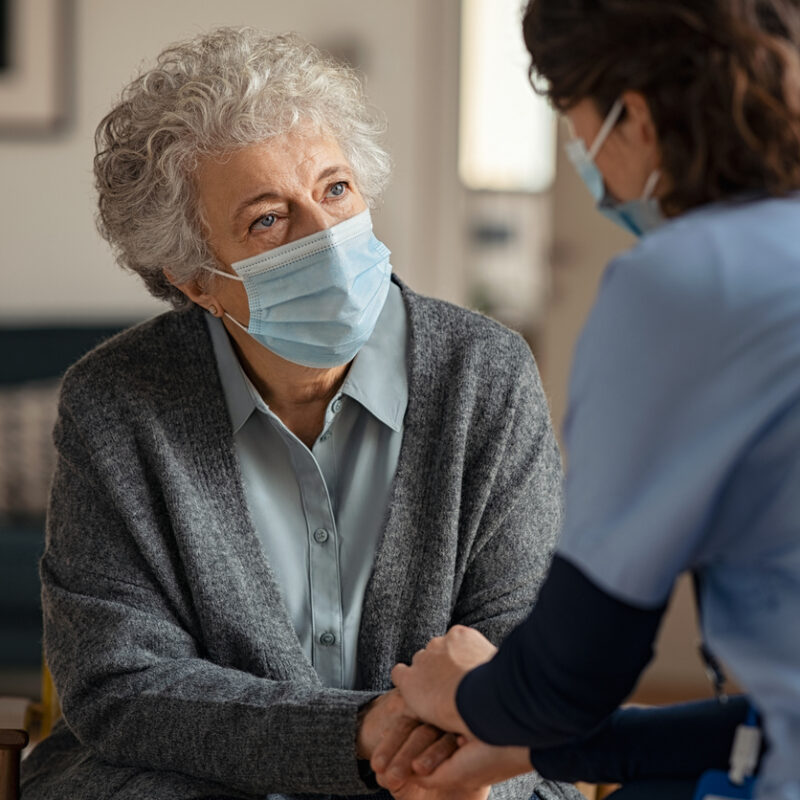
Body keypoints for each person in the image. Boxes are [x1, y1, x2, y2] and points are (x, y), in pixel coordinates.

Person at [19, 27, 581, 800]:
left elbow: (525, 641)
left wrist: (431, 762)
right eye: (267, 220)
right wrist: (353, 736)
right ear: (194, 280)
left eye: (335, 189)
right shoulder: (115, 402)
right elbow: (122, 680)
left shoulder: (486, 375)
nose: (327, 236)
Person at [381, 1, 800, 799]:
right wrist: (539, 750)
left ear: (634, 116)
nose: (586, 160)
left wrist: (461, 692)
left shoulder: (683, 285)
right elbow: (769, 724)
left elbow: (570, 677)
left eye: (578, 128)